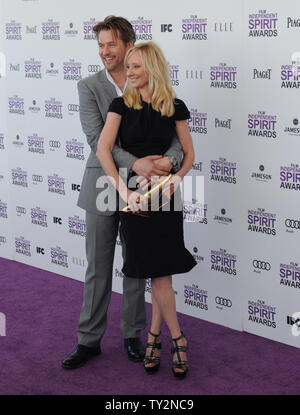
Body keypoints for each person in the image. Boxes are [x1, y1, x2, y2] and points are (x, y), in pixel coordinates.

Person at [62, 16, 183, 370]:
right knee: (98, 266)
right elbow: (98, 141)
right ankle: (88, 340)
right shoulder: (88, 86)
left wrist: (168, 162)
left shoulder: (152, 81)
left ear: (130, 44)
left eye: (110, 44)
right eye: (100, 45)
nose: (104, 52)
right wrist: (138, 164)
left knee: (137, 265)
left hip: (146, 190)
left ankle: (133, 335)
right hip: (104, 181)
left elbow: (174, 134)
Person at [97, 41, 197, 378]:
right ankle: (177, 338)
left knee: (161, 274)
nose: (131, 72)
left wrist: (178, 177)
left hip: (166, 198)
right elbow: (103, 151)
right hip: (135, 201)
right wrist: (124, 192)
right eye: (130, 66)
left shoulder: (175, 106)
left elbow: (188, 153)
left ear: (152, 68)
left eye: (137, 66)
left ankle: (156, 336)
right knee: (156, 274)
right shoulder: (119, 105)